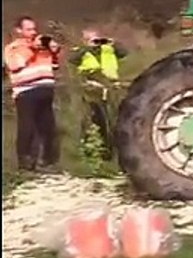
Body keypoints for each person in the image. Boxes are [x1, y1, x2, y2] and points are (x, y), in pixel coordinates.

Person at [4, 16, 61, 171]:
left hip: (45, 89)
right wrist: (33, 48)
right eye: (28, 29)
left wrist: (54, 51)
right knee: (27, 127)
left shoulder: (42, 46)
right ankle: (26, 162)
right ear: (18, 31)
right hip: (26, 91)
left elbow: (54, 65)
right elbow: (16, 65)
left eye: (34, 29)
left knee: (48, 127)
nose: (33, 32)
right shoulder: (13, 47)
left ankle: (48, 161)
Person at [69, 28, 128, 160]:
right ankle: (92, 152)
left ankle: (111, 152)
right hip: (92, 88)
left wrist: (113, 43)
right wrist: (87, 47)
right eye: (93, 39)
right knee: (94, 120)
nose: (97, 42)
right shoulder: (82, 52)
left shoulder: (108, 49)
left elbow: (124, 53)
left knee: (113, 120)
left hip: (111, 87)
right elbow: (73, 59)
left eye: (97, 38)